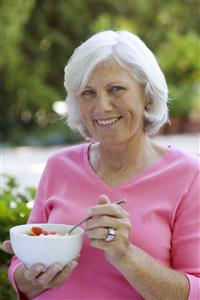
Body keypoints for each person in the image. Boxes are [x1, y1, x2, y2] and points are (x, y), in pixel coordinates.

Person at [3, 30, 200, 300]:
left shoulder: (189, 175)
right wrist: (30, 277)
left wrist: (125, 255)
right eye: (88, 93)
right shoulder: (59, 166)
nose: (102, 106)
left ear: (147, 95)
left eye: (116, 89)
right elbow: (19, 272)